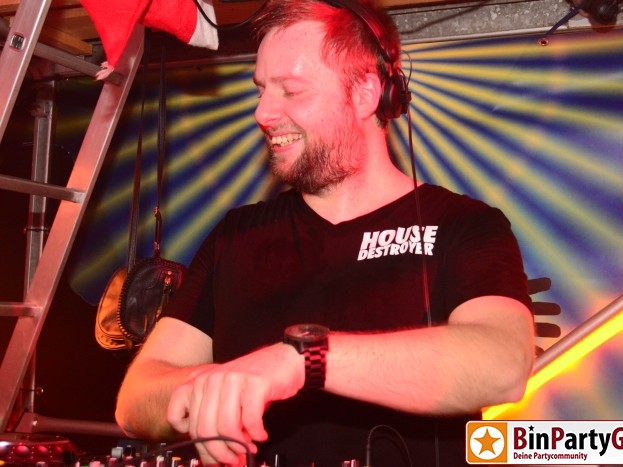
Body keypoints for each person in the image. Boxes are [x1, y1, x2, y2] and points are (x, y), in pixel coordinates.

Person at [114, 0, 535, 465]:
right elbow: (134, 401)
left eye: (291, 90)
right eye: (261, 90)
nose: (262, 112)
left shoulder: (463, 224)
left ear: (367, 94)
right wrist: (215, 386)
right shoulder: (236, 235)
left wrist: (302, 361)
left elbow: (502, 364)